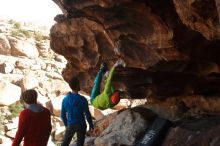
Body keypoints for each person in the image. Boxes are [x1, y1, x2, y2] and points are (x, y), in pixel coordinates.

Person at [61, 77, 94, 146]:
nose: (80, 85)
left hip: (70, 124)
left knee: (65, 144)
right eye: (79, 84)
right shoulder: (83, 100)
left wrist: (66, 125)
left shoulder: (65, 100)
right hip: (81, 125)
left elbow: (63, 115)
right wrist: (91, 125)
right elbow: (87, 114)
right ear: (77, 85)